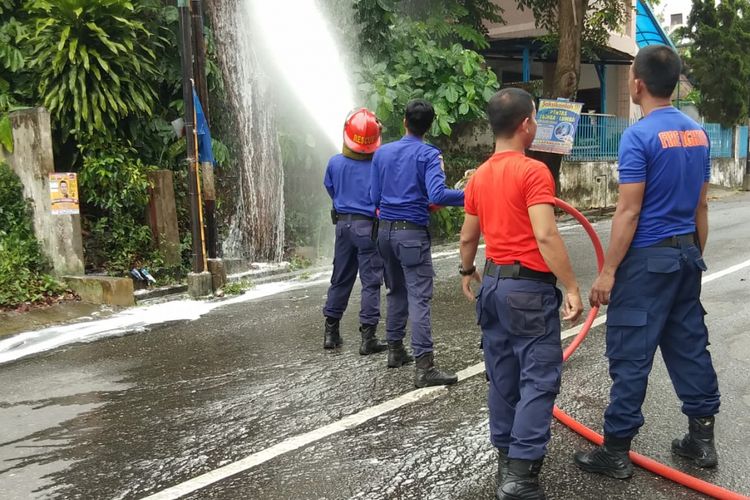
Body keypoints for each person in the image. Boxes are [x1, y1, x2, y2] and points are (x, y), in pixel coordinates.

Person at [574, 45, 720, 479]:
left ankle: (616, 451)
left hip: (646, 262)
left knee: (631, 352)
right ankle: (702, 440)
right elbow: (701, 207)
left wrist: (608, 271)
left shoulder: (638, 136)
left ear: (637, 84)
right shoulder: (699, 133)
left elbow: (629, 212)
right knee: (688, 345)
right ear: (674, 83)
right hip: (686, 254)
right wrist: (693, 256)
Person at [459, 87, 583, 500]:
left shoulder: (479, 175)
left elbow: (468, 238)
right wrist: (571, 286)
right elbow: (545, 234)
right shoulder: (532, 172)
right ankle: (521, 478)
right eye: (535, 118)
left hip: (492, 286)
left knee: (502, 377)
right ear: (526, 124)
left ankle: (506, 461)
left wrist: (467, 271)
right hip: (527, 289)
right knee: (539, 379)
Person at [371, 99, 464, 388]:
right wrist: (471, 194)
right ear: (431, 125)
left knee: (395, 290)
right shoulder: (428, 154)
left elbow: (374, 196)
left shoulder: (381, 153)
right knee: (419, 298)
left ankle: (396, 350)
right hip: (411, 235)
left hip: (384, 232)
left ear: (404, 121)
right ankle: (424, 367)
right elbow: (437, 195)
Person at [322, 108, 388, 356]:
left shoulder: (335, 163)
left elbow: (331, 188)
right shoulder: (378, 165)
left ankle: (331, 332)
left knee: (340, 277)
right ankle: (368, 337)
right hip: (367, 227)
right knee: (370, 281)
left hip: (342, 226)